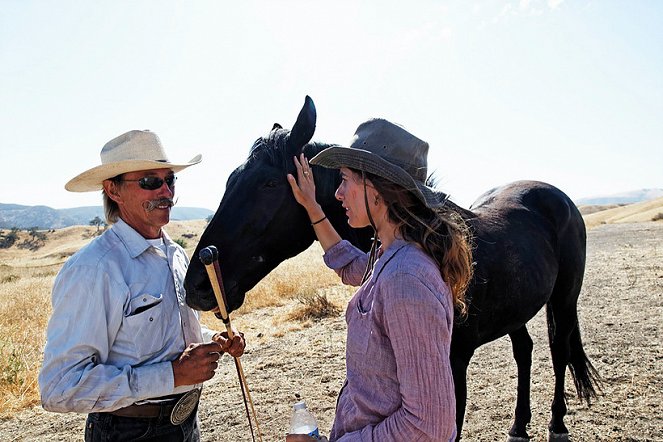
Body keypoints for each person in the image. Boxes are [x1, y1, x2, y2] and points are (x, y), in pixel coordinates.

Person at [39, 130, 246, 442]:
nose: (166, 191)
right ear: (114, 190)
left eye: (170, 180)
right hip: (130, 432)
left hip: (186, 422)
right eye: (150, 181)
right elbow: (60, 386)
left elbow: (160, 337)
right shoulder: (95, 269)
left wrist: (213, 340)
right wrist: (173, 375)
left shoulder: (175, 254)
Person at [285, 119, 473, 441]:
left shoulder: (405, 280)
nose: (338, 193)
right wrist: (312, 207)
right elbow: (351, 267)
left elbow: (430, 426)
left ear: (377, 187)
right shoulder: (390, 257)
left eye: (345, 180)